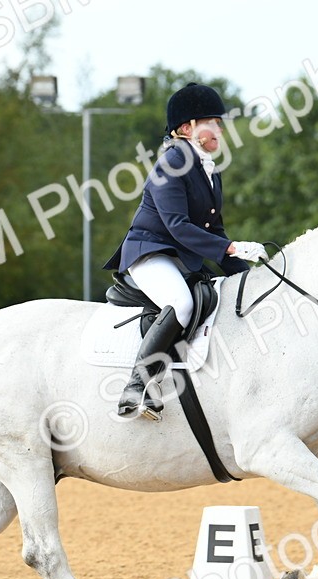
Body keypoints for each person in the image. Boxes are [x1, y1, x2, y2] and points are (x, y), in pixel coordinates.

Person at [103, 82, 266, 420]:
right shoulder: (170, 163)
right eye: (212, 122)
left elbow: (214, 231)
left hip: (181, 258)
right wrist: (232, 247)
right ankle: (136, 386)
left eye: (220, 123)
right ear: (186, 127)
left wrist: (253, 277)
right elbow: (177, 225)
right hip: (150, 252)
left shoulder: (209, 170)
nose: (219, 129)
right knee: (182, 302)